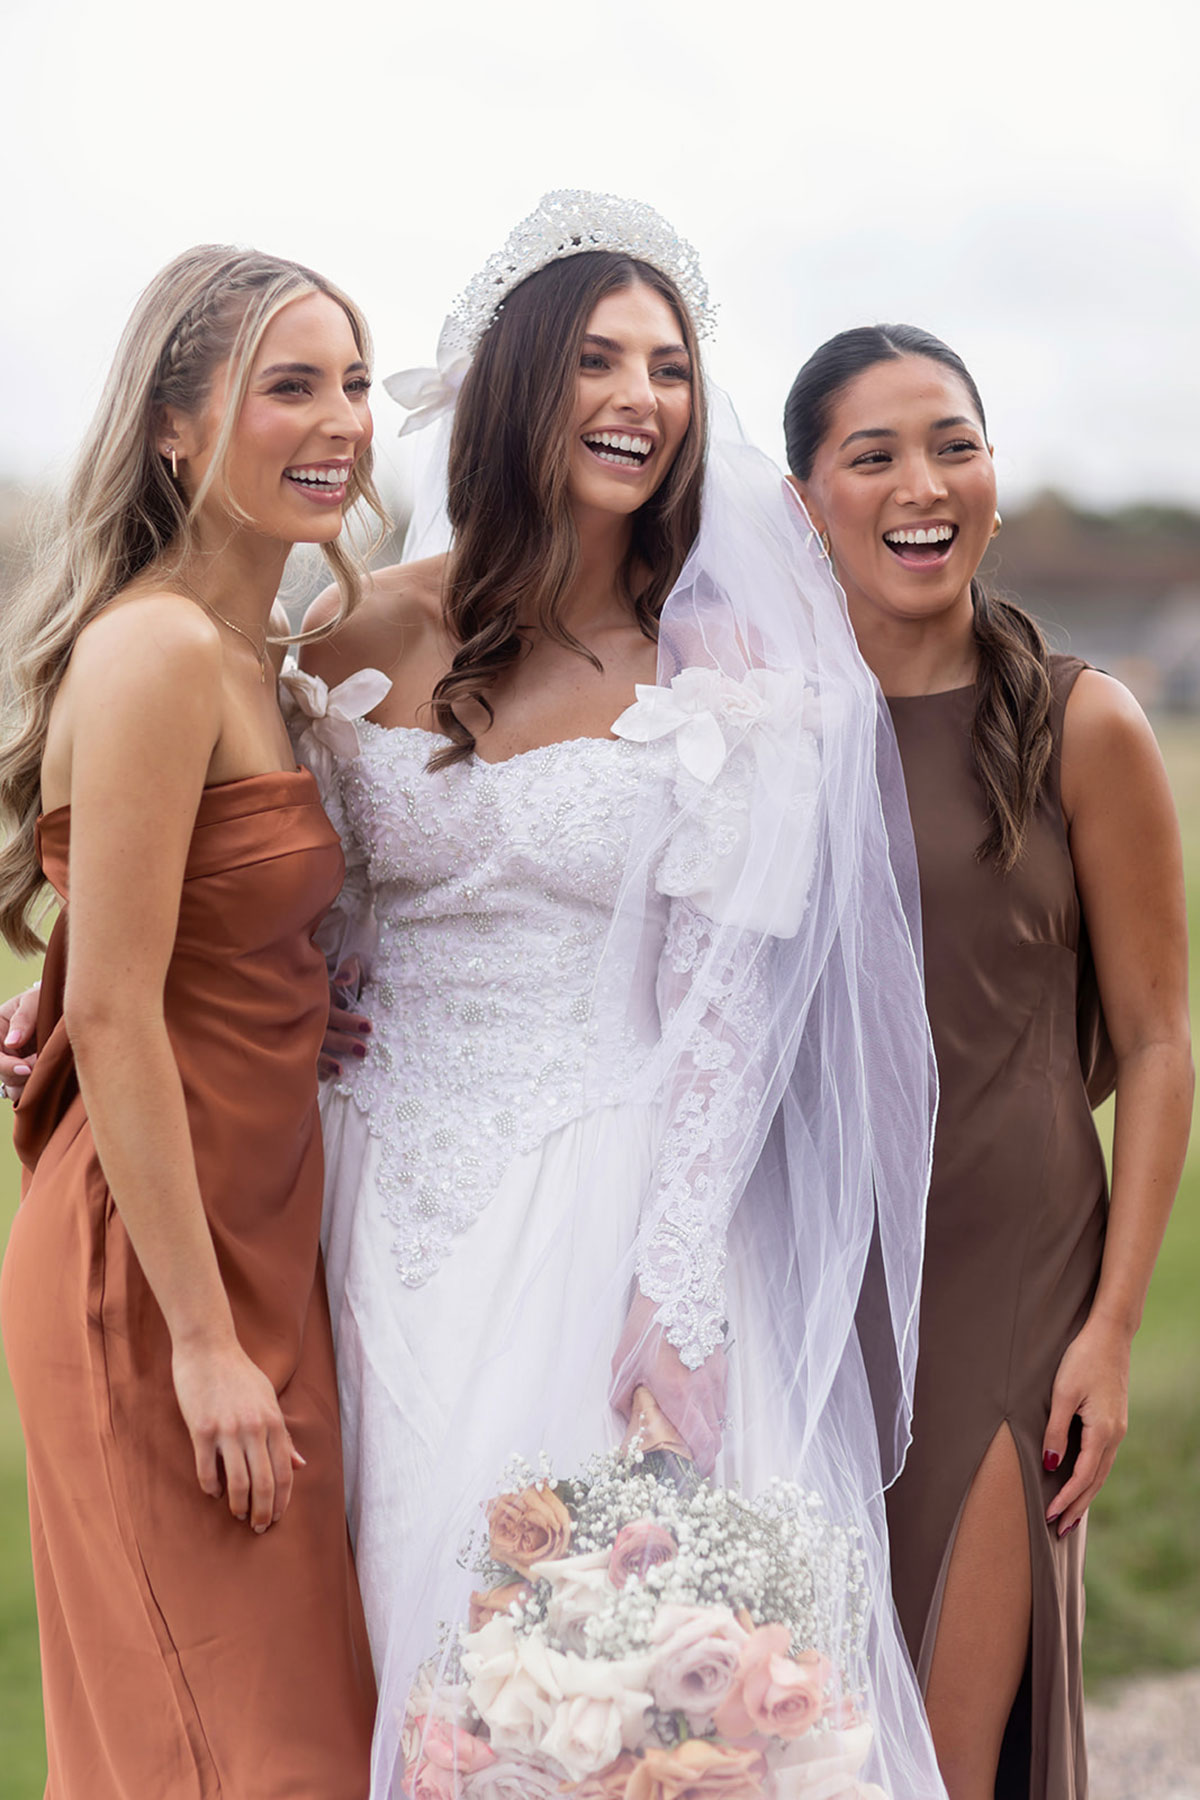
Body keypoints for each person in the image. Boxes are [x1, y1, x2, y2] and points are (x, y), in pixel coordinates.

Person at [282, 193, 944, 1798]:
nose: (642, 396)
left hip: (600, 1208)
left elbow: (722, 1007)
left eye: (668, 365)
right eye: (597, 357)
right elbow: (286, 902)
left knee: (577, 1653)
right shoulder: (353, 625)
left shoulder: (711, 662)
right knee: (372, 1629)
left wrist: (678, 1293)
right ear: (518, 380)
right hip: (360, 1201)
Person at [783, 325, 1193, 1800]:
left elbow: (1155, 1040)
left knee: (952, 1762)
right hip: (803, 1304)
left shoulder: (1086, 724)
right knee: (795, 1740)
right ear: (802, 499)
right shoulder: (752, 735)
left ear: (994, 484)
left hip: (1010, 1281)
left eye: (954, 442)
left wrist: (1113, 1329)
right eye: (874, 453)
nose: (923, 482)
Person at [0, 245, 383, 1798]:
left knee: (308, 1733)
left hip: (261, 1239)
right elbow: (114, 1006)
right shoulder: (156, 648)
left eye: (353, 383)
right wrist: (207, 1344)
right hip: (155, 1279)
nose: (339, 420)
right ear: (175, 425)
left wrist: (291, 993)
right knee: (223, 1752)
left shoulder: (258, 656)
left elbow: (168, 929)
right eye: (290, 385)